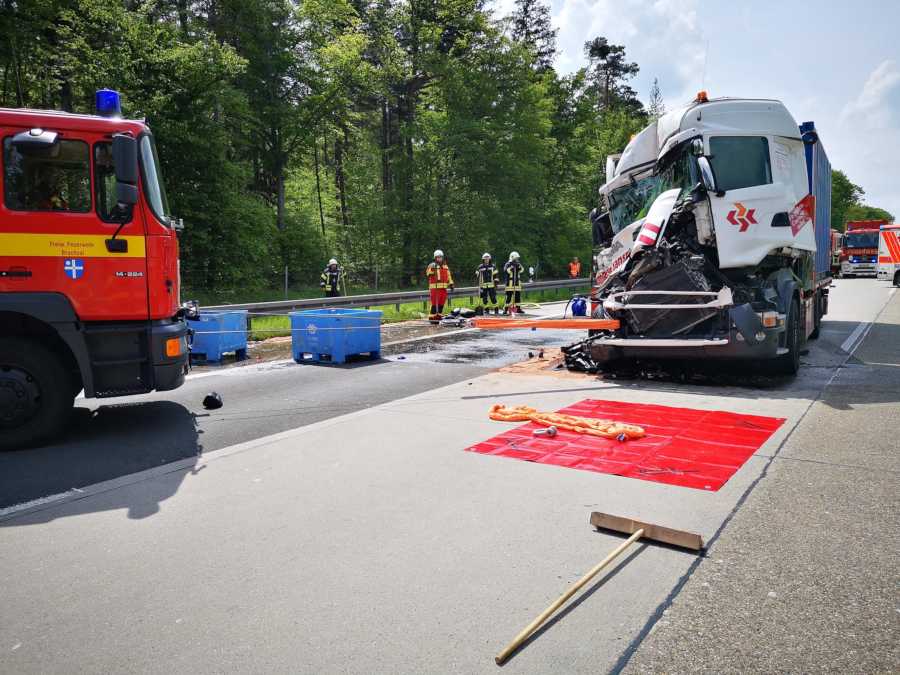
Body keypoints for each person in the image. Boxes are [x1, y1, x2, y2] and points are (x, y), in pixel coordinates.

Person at [426, 249, 454, 322]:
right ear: (435, 258)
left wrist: (451, 283)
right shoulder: (432, 265)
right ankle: (432, 317)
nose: (439, 258)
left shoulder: (445, 266)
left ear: (442, 257)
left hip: (443, 288)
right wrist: (432, 270)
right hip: (434, 288)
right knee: (434, 303)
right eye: (438, 257)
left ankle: (439, 315)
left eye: (440, 257)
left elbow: (448, 276)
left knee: (442, 302)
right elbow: (428, 273)